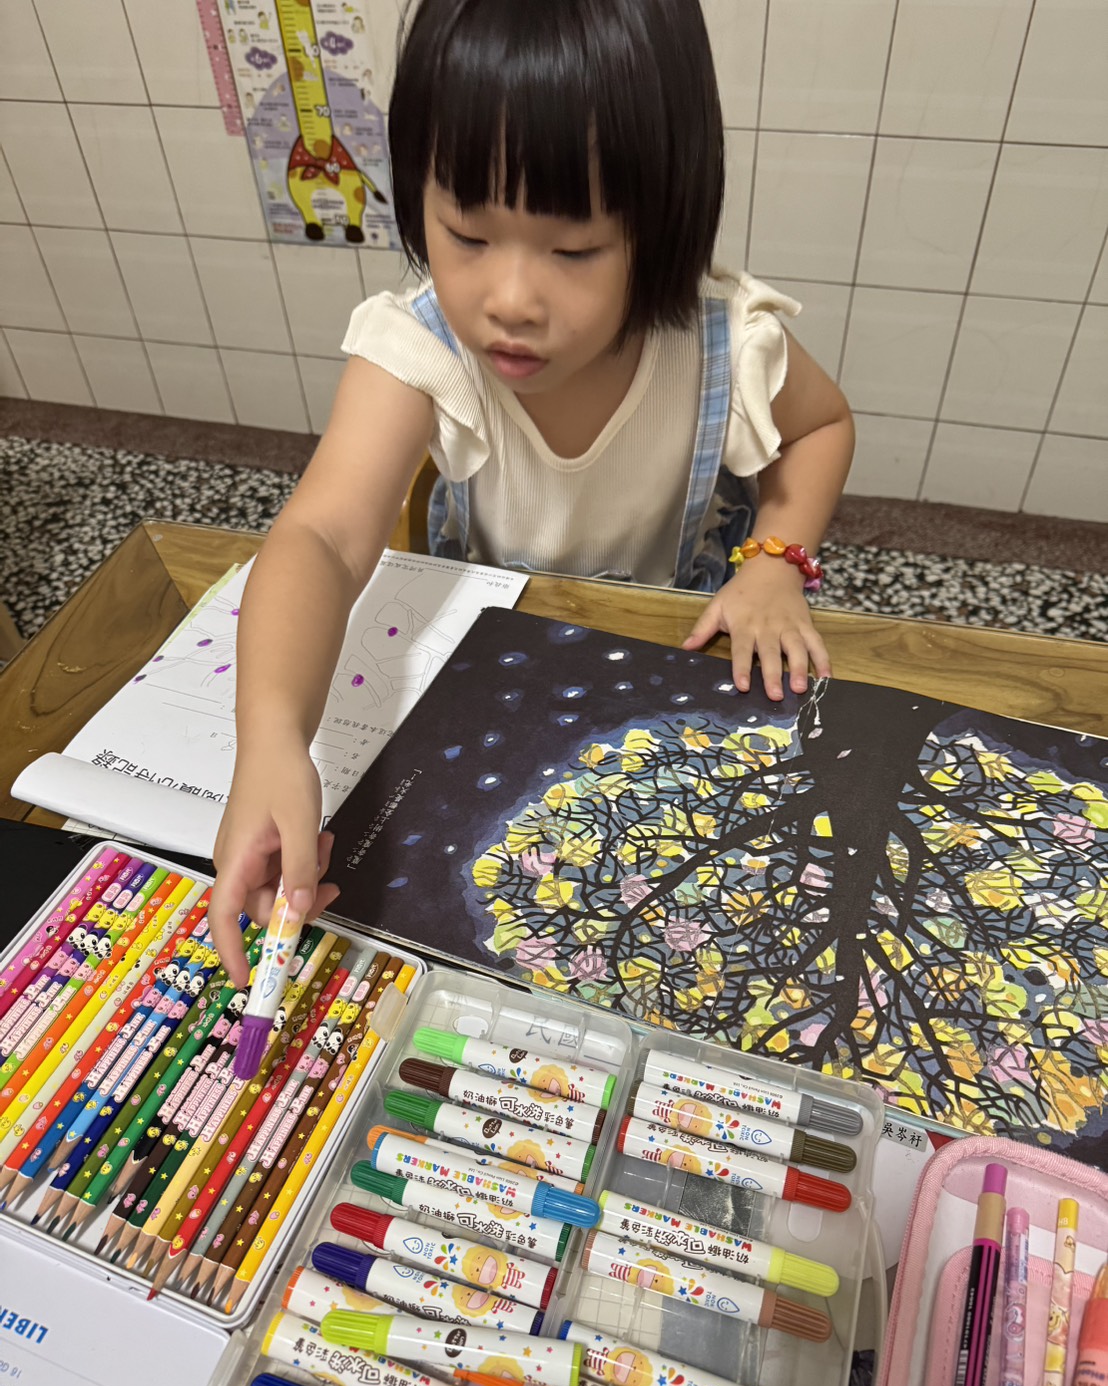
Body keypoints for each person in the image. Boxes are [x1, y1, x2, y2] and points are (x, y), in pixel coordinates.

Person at [209, 0, 855, 982]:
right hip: (494, 673)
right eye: (466, 234)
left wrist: (775, 560)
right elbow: (322, 539)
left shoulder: (722, 342)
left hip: (670, 658)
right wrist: (269, 738)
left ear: (664, 220)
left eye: (574, 251)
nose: (509, 300)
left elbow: (820, 426)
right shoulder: (423, 346)